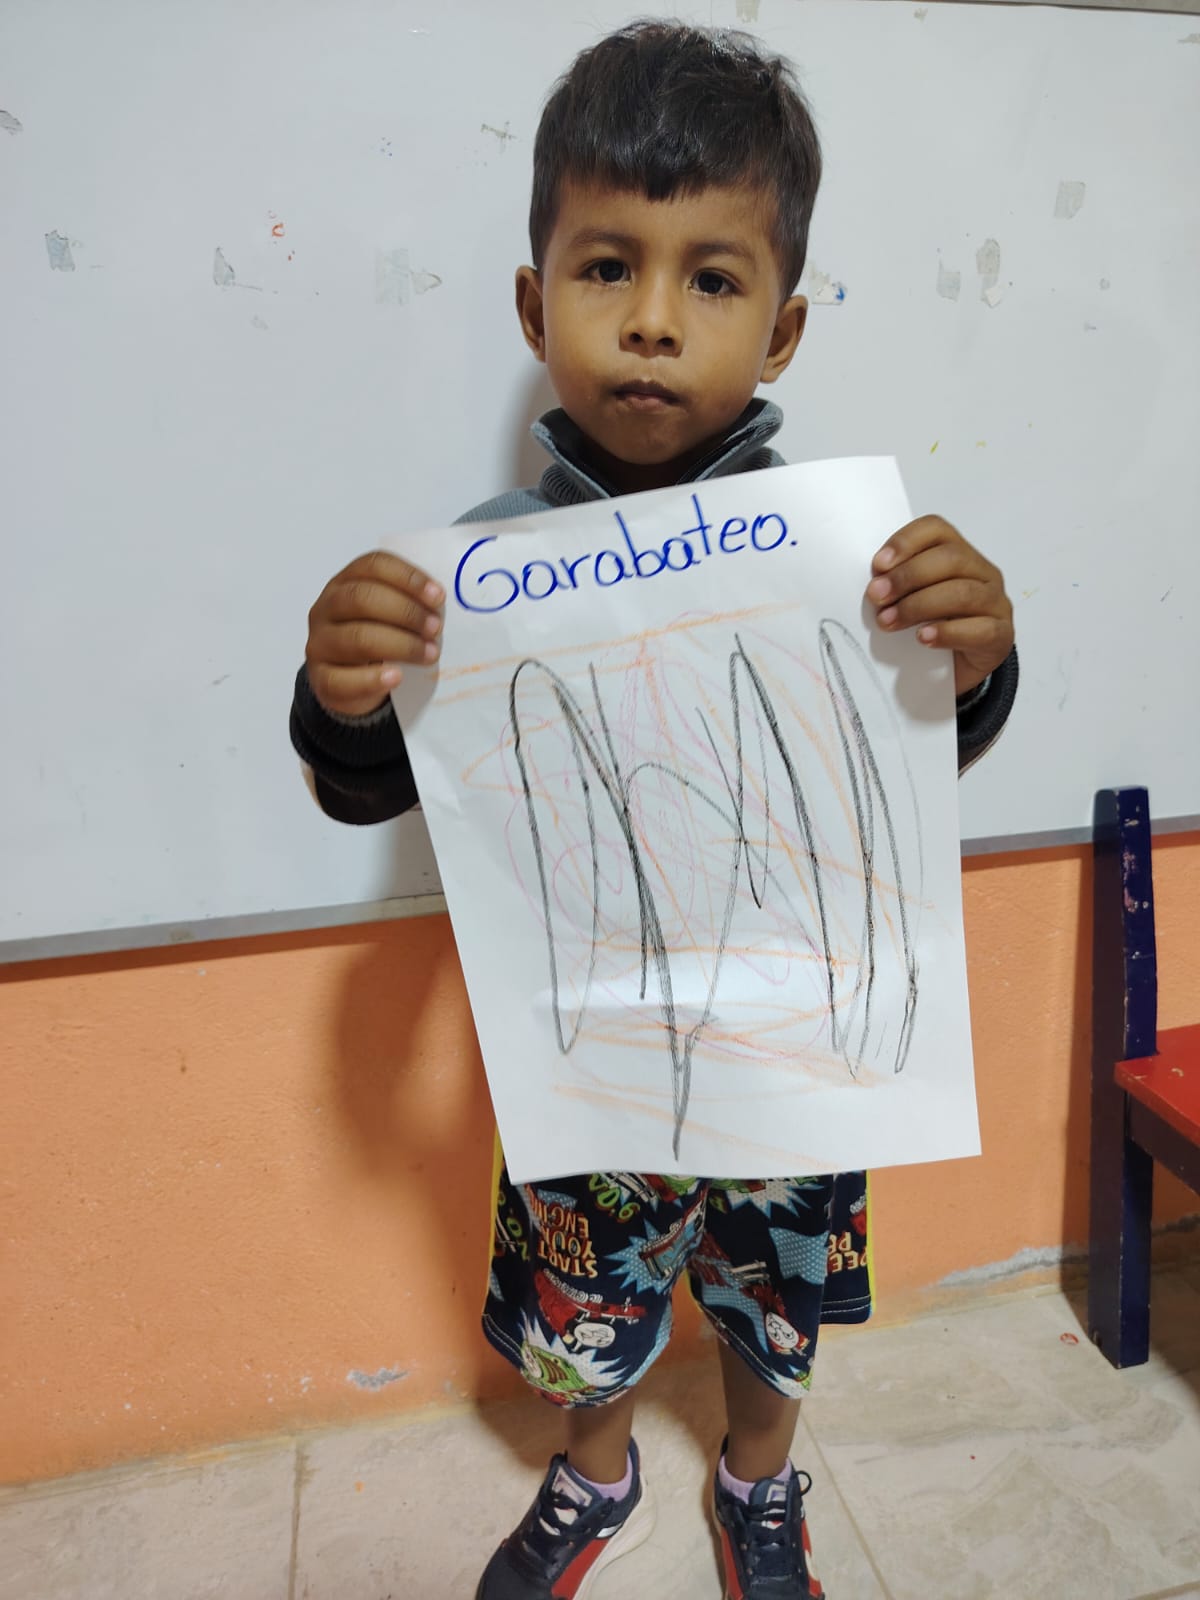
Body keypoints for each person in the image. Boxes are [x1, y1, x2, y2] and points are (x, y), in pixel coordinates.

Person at [290, 21, 1018, 1600]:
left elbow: (907, 767)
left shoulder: (847, 559)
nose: (650, 320)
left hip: (794, 1054)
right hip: (594, 1069)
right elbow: (373, 789)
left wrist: (972, 658)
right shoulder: (473, 573)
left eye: (713, 279)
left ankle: (760, 1478)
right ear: (534, 302)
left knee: (778, 1305)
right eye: (608, 266)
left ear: (784, 329)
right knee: (590, 1315)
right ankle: (598, 1470)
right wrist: (343, 697)